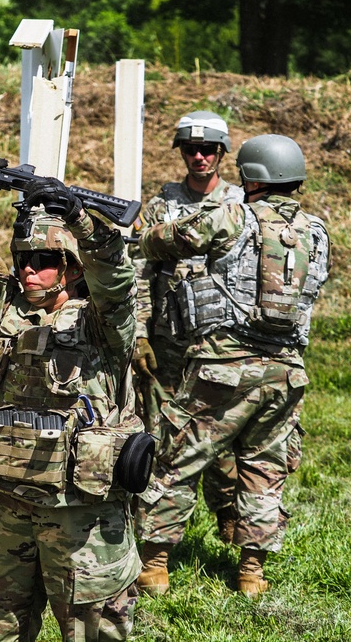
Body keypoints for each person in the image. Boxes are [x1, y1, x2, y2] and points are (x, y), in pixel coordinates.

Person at [0, 164, 147, 641]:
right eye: (23, 259)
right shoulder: (6, 313)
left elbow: (116, 281)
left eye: (43, 259)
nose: (29, 269)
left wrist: (82, 219)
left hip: (80, 514)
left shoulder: (103, 324)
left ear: (73, 268)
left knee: (94, 630)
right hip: (10, 505)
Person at [133, 134, 331, 597]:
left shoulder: (234, 214)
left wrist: (145, 237)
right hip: (286, 372)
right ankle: (251, 576)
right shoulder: (316, 230)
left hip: (224, 365)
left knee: (175, 460)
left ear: (250, 176)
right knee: (264, 471)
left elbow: (174, 239)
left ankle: (155, 568)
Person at [131, 110, 244, 564]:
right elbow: (140, 271)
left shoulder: (240, 203)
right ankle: (157, 534)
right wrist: (140, 334)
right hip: (171, 343)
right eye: (190, 150)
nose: (199, 157)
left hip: (225, 341)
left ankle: (231, 516)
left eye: (208, 150)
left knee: (225, 435)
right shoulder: (162, 206)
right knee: (165, 435)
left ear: (222, 154)